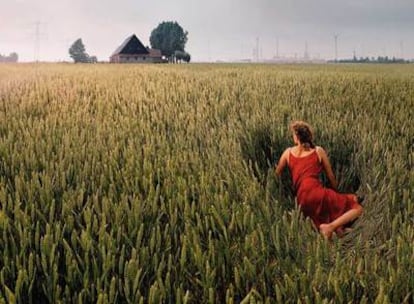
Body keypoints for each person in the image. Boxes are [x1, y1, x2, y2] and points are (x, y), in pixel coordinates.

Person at [275, 121, 363, 240]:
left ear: (297, 138)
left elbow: (276, 175)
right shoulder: (318, 151)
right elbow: (331, 177)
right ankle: (331, 227)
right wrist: (336, 192)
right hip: (318, 193)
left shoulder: (287, 153)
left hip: (302, 199)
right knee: (358, 208)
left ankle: (337, 229)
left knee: (347, 200)